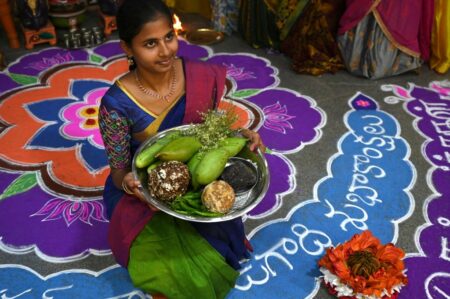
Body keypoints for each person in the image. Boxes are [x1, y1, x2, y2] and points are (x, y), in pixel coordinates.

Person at [98, 0, 264, 298]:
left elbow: (207, 131)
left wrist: (240, 135)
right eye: (150, 43)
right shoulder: (115, 104)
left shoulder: (198, 75)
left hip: (198, 175)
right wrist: (132, 185)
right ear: (127, 47)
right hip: (146, 189)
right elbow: (119, 173)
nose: (165, 51)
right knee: (178, 271)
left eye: (168, 38)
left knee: (217, 233)